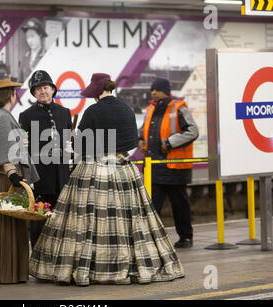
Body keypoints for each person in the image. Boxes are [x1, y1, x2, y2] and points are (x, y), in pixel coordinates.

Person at [29, 73, 185, 286]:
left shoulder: (92, 111)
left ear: (96, 92)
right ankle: (130, 264)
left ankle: (89, 267)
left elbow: (80, 146)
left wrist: (75, 145)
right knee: (131, 220)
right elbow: (131, 141)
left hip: (93, 170)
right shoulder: (127, 110)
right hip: (123, 169)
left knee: (88, 221)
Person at [0, 78, 40, 284]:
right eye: (13, 91)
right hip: (4, 183)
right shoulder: (3, 118)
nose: (15, 95)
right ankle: (7, 274)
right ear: (9, 96)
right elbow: (4, 155)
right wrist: (13, 174)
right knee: (6, 229)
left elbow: (3, 146)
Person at [137, 77, 199, 249]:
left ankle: (186, 237)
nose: (153, 92)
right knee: (151, 205)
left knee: (179, 204)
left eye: (156, 89)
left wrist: (170, 142)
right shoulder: (150, 109)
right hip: (154, 167)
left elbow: (193, 131)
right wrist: (140, 139)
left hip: (174, 166)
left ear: (165, 90)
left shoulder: (178, 107)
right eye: (152, 90)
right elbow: (143, 130)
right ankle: (151, 239)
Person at [18, 70, 72, 248]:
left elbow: (70, 141)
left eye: (46, 87)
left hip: (62, 177)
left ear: (53, 89)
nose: (43, 91)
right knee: (39, 222)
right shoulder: (26, 116)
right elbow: (21, 149)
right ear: (33, 94)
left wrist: (71, 149)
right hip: (40, 178)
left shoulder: (65, 113)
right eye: (38, 89)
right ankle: (38, 260)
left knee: (63, 223)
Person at [19, 18, 47, 82]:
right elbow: (19, 82)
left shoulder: (46, 56)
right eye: (27, 37)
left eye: (32, 36)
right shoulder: (25, 57)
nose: (29, 41)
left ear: (40, 35)